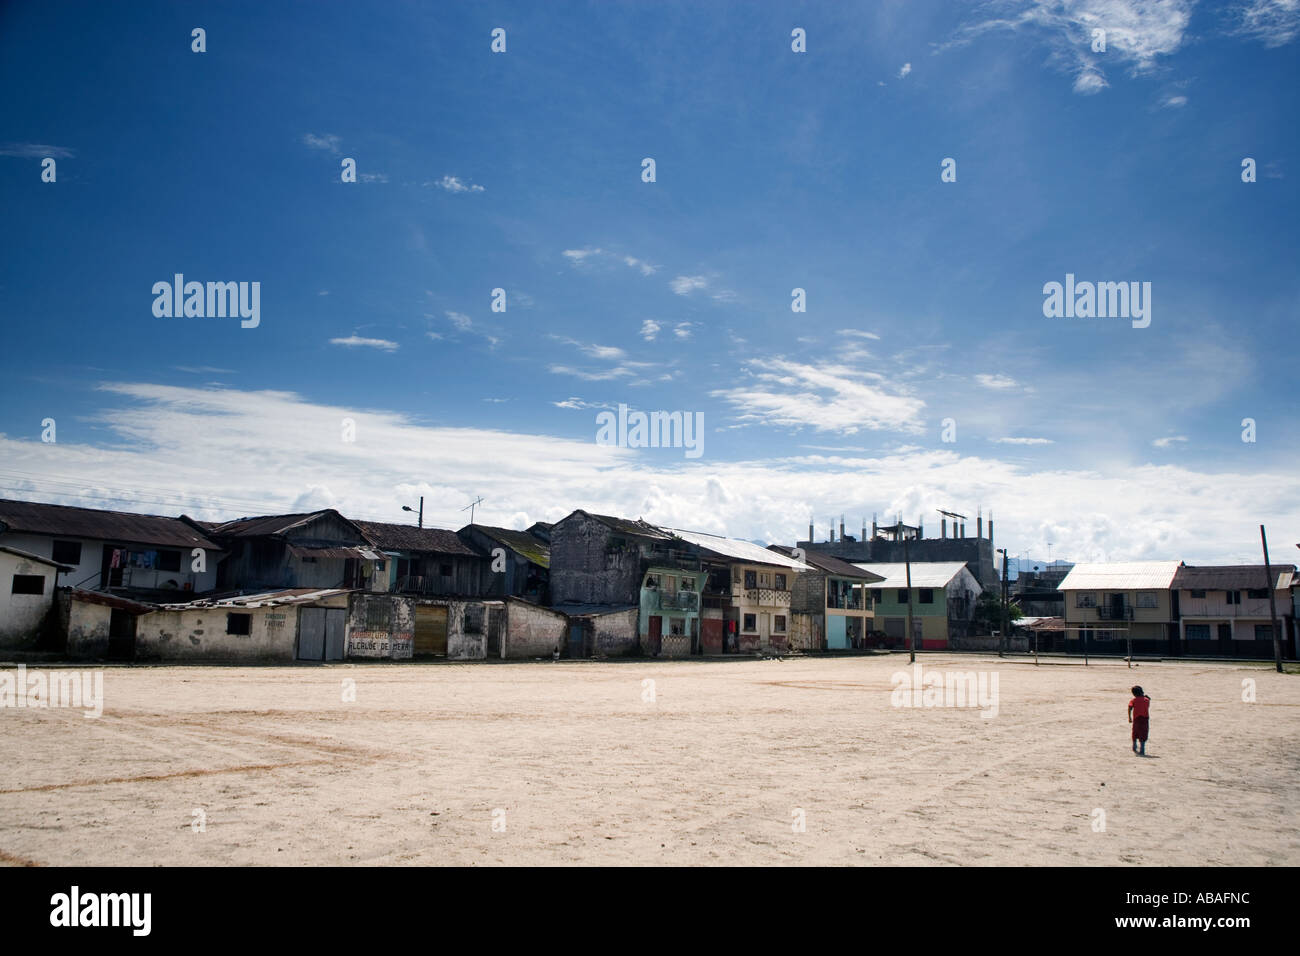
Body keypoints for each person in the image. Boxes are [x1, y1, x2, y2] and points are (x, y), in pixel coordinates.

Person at [1128, 685, 1151, 755]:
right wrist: (1148, 698)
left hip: (1136, 719)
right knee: (1143, 733)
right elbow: (1147, 705)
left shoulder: (1133, 700)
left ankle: (1134, 746)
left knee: (1135, 732)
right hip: (1145, 719)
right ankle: (1142, 749)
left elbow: (1130, 708)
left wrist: (1129, 717)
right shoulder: (1146, 700)